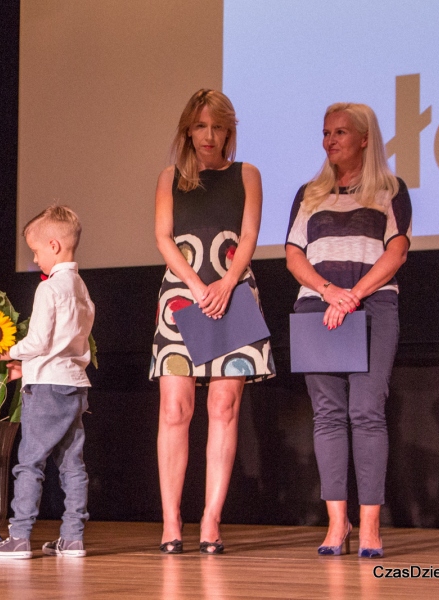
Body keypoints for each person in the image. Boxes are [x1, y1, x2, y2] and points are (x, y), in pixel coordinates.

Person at [151, 89, 274, 555]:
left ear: (229, 132)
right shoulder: (169, 178)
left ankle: (210, 520)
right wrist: (197, 287)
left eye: (218, 127)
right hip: (182, 297)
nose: (209, 135)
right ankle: (171, 522)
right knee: (173, 410)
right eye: (201, 126)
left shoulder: (247, 174)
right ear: (188, 129)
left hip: (234, 291)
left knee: (224, 408)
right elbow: (163, 238)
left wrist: (225, 284)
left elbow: (249, 234)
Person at [286, 103, 411, 558]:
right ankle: (338, 524)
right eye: (325, 132)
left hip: (374, 305)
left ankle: (372, 527)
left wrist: (352, 294)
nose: (330, 140)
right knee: (328, 416)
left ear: (364, 138)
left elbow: (395, 252)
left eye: (340, 132)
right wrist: (328, 291)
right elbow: (294, 255)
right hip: (317, 308)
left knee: (366, 412)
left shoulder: (390, 190)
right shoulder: (310, 193)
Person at [0, 205, 95, 559]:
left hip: (47, 388)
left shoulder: (50, 289)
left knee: (30, 462)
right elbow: (69, 343)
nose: (35, 260)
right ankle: (73, 536)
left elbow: (39, 343)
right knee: (72, 464)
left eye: (36, 252)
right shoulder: (81, 287)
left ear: (54, 246)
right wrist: (28, 366)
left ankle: (19, 537)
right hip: (75, 385)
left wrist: (9, 352)